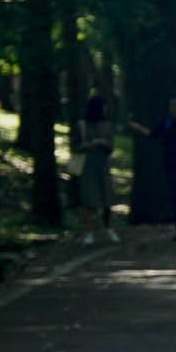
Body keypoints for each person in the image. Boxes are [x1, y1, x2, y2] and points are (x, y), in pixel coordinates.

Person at [130, 94, 176, 242]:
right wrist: (138, 128)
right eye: (171, 105)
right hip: (171, 167)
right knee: (174, 198)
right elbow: (153, 134)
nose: (173, 108)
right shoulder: (167, 124)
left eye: (175, 105)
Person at [76, 95, 118, 244]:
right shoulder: (82, 125)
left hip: (102, 164)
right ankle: (88, 231)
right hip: (88, 165)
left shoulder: (107, 126)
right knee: (89, 198)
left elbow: (111, 147)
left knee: (106, 196)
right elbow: (78, 146)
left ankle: (108, 227)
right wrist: (89, 144)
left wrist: (103, 143)